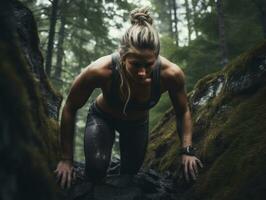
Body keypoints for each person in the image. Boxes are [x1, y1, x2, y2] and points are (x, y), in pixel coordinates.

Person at [54, 7, 203, 189]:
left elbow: (183, 110)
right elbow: (70, 107)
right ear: (123, 56)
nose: (142, 72)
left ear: (156, 57)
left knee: (130, 173)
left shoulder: (170, 74)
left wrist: (187, 150)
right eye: (135, 64)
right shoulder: (100, 70)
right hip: (103, 117)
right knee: (96, 168)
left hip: (137, 124)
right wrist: (66, 159)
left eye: (148, 65)